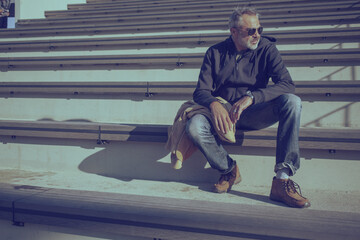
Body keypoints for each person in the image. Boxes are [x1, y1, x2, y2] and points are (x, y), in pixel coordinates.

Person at [185, 6, 310, 208]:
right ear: (233, 32)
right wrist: (214, 104)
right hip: (222, 115)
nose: (257, 35)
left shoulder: (267, 48)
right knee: (194, 126)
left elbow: (287, 84)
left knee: (292, 101)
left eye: (259, 29)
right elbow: (200, 91)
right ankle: (229, 170)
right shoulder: (214, 52)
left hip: (253, 113)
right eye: (250, 31)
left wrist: (253, 97)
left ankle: (282, 180)